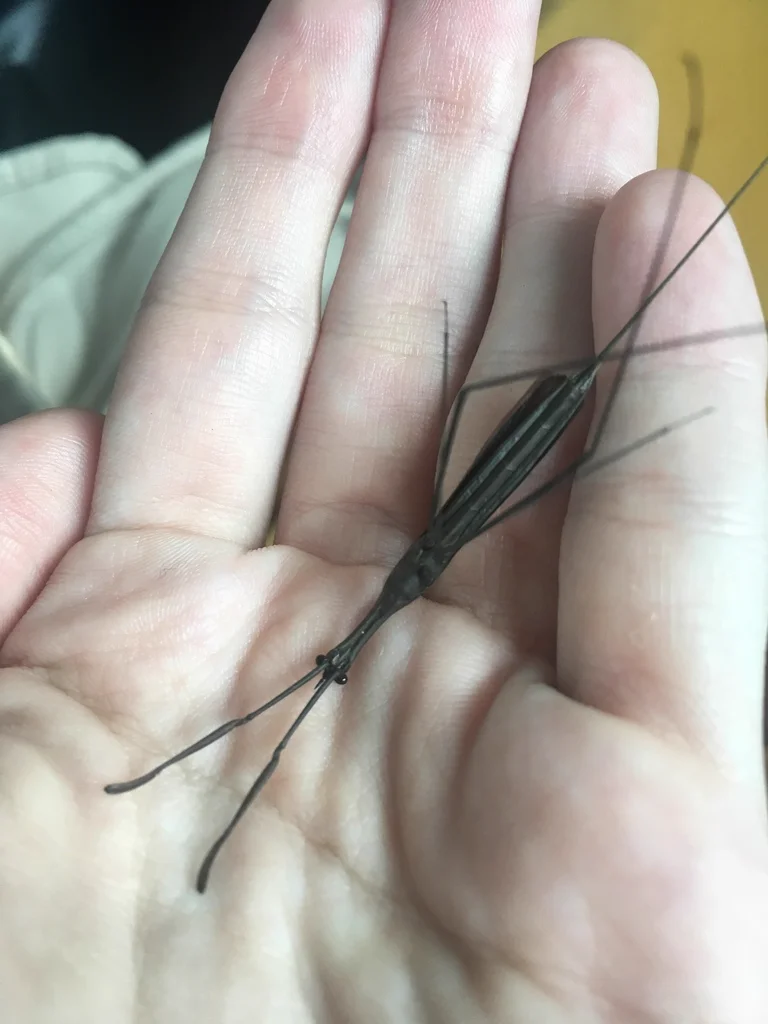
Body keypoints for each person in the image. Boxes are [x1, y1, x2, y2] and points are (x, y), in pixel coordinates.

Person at [1, 1, 767, 1020]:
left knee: (623, 343)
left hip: (493, 474)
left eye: (335, 660)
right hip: (478, 489)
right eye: (338, 665)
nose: (335, 664)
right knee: (617, 344)